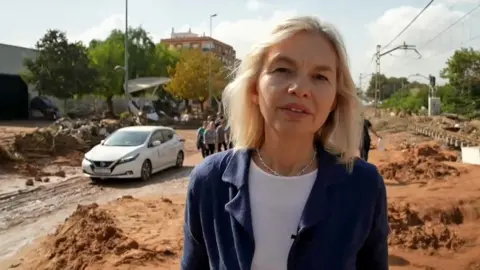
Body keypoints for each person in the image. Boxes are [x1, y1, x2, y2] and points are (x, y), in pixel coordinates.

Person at [181, 16, 388, 270]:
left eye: (320, 77)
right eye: (282, 70)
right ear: (254, 89)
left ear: (335, 99)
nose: (300, 88)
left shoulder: (363, 186)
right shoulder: (209, 181)